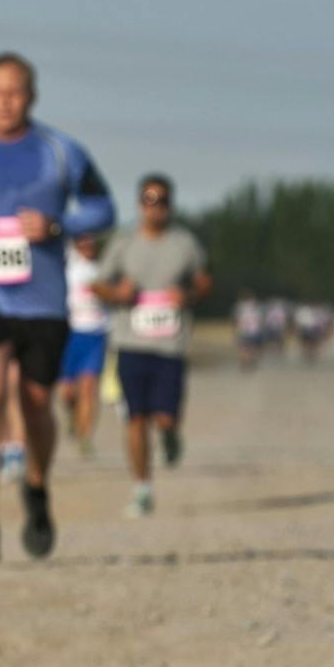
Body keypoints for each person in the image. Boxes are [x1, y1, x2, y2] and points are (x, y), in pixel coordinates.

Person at [0, 52, 115, 562]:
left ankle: (36, 492)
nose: (5, 102)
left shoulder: (61, 152)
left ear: (31, 97)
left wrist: (59, 226)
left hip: (42, 302)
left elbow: (103, 208)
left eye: (14, 92)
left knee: (36, 406)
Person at [94, 175, 211, 518]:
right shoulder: (124, 242)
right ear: (139, 203)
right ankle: (142, 488)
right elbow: (97, 284)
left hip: (170, 346)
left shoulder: (184, 244)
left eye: (161, 200)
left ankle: (171, 434)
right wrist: (117, 294)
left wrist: (188, 295)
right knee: (135, 418)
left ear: (170, 205)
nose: (155, 207)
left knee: (164, 417)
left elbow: (205, 280)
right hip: (130, 342)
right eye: (148, 199)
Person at [58, 234, 111, 454]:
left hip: (96, 333)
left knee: (89, 387)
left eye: (92, 240)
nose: (88, 245)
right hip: (69, 333)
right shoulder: (67, 266)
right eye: (83, 240)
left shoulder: (104, 268)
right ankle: (73, 414)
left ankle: (85, 437)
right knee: (67, 392)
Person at [233, 289, 264, 372]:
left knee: (244, 348)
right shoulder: (256, 308)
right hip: (255, 331)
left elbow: (237, 321)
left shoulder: (239, 308)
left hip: (244, 331)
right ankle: (251, 361)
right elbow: (260, 320)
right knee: (253, 347)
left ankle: (244, 362)